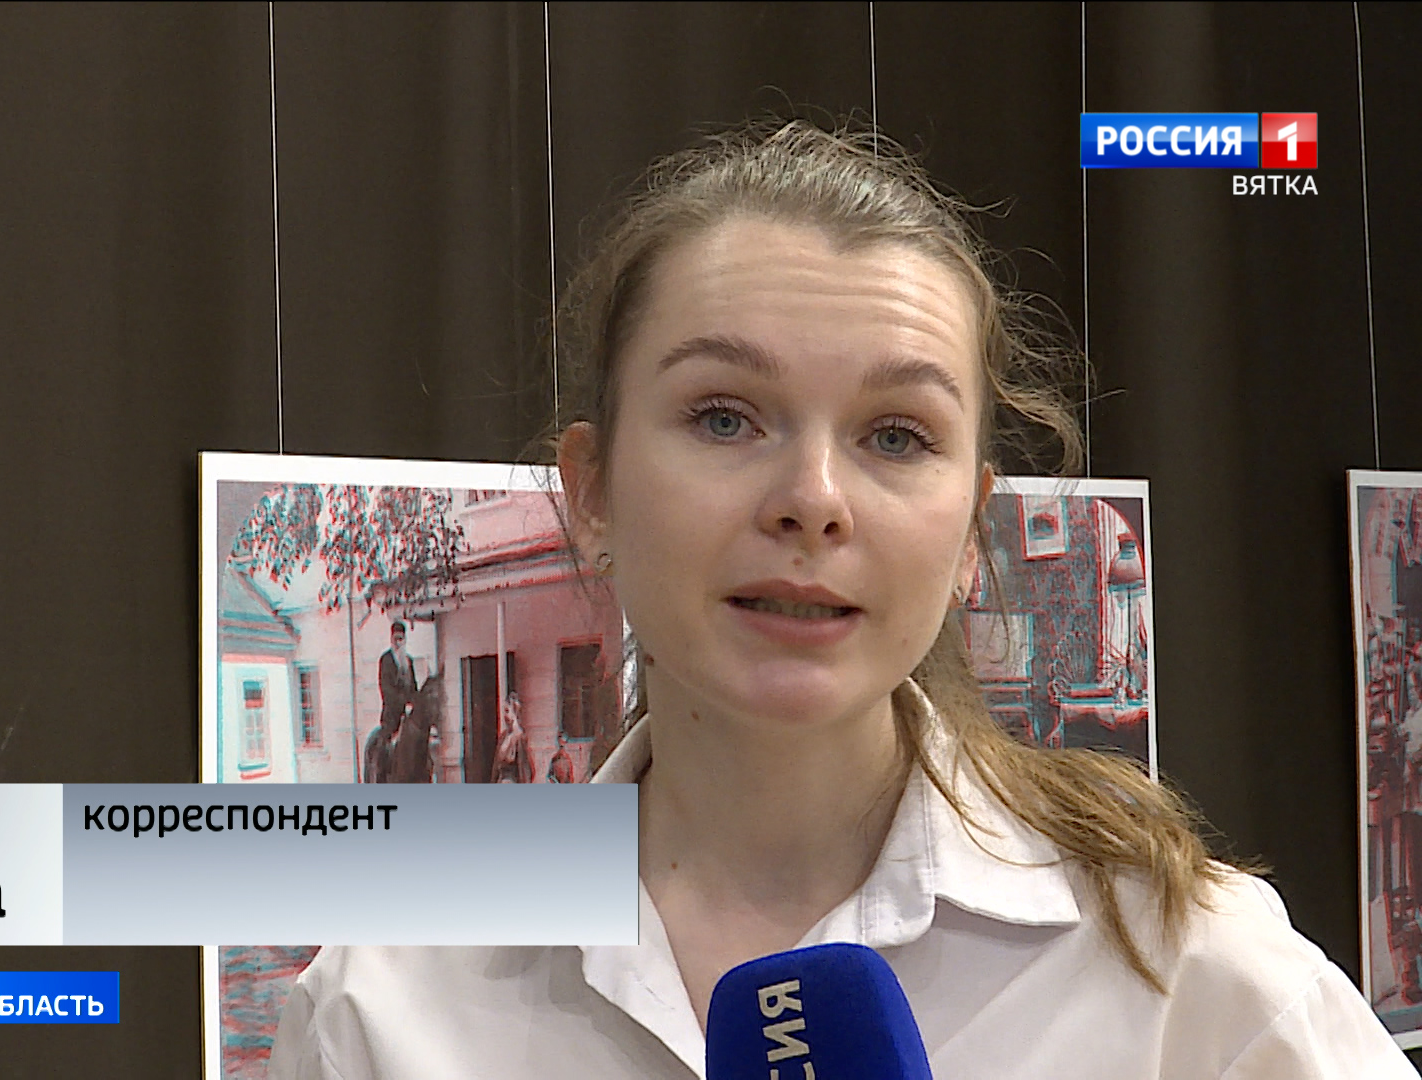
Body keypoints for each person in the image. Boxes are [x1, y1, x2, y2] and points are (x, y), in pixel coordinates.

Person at [268, 121, 1412, 1076]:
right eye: (725, 417)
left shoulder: (1184, 970)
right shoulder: (386, 1000)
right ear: (594, 490)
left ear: (970, 532)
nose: (813, 501)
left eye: (896, 436)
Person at [367, 621, 417, 783]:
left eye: (401, 639)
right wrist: (402, 702)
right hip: (392, 713)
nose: (398, 642)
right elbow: (386, 688)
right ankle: (380, 776)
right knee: (384, 746)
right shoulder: (386, 659)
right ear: (391, 639)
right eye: (396, 639)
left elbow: (413, 686)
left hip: (409, 714)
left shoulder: (408, 661)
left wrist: (414, 702)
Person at [492, 688, 529, 783]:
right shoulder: (503, 736)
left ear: (515, 712)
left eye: (507, 711)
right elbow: (496, 768)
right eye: (504, 711)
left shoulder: (519, 737)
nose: (505, 715)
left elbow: (524, 769)